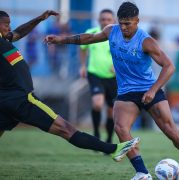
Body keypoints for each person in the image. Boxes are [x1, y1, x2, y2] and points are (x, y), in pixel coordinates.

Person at [45, 2, 179, 180]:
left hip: (148, 89)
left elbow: (169, 66)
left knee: (170, 130)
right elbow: (89, 38)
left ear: (137, 21)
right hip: (126, 92)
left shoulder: (146, 41)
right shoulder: (111, 31)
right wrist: (62, 40)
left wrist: (153, 90)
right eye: (121, 23)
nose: (123, 27)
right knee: (120, 128)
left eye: (128, 23)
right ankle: (142, 173)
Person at [0, 10, 140, 163]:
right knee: (65, 128)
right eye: (6, 24)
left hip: (6, 100)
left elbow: (18, 33)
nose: (9, 27)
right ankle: (114, 149)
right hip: (21, 100)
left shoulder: (4, 40)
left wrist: (39, 19)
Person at [79, 9, 116, 144]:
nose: (105, 22)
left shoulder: (118, 36)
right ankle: (96, 133)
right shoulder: (92, 32)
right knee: (98, 104)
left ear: (114, 21)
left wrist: (117, 66)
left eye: (108, 19)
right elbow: (82, 48)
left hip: (113, 78)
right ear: (99, 20)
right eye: (103, 19)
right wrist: (83, 65)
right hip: (95, 74)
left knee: (112, 111)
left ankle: (109, 139)